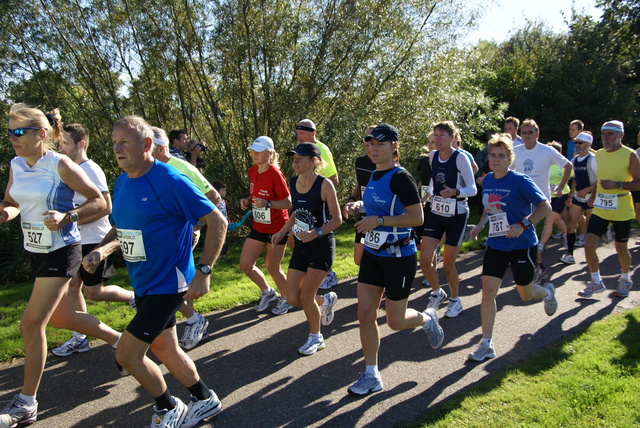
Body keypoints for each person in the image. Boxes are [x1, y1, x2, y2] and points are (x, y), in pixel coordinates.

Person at [83, 116, 227, 428]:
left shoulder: (170, 180)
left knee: (127, 354)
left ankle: (167, 407)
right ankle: (204, 399)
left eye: (124, 142)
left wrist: (204, 271)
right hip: (143, 281)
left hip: (169, 281)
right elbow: (121, 227)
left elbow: (218, 221)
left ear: (147, 145)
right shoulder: (122, 181)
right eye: (114, 143)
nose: (117, 149)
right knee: (165, 347)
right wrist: (102, 251)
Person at [0, 105, 122, 427]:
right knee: (63, 317)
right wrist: (4, 214)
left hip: (62, 250)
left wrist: (68, 216)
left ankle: (27, 404)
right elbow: (12, 204)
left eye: (17, 132)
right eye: (9, 132)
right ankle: (121, 342)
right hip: (36, 250)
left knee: (30, 325)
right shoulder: (16, 164)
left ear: (41, 134)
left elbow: (100, 202)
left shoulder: (60, 165)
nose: (11, 138)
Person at [342, 124, 443, 396]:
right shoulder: (374, 174)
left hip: (399, 256)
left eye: (380, 144)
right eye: (370, 144)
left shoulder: (401, 177)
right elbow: (376, 204)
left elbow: (417, 218)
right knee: (365, 313)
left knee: (395, 321)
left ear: (394, 146)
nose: (373, 149)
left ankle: (426, 318)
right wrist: (358, 206)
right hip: (374, 254)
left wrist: (380, 220)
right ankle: (371, 373)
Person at [468, 134, 556, 362]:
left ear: (510, 158)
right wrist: (480, 225)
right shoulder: (487, 180)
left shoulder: (520, 181)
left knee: (525, 294)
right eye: (492, 155)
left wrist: (523, 223)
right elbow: (491, 208)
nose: (495, 160)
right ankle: (486, 343)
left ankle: (547, 292)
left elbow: (545, 207)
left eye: (501, 156)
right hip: (497, 244)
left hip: (521, 244)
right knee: (488, 293)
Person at [52, 122, 135, 357]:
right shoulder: (66, 168)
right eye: (59, 142)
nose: (61, 147)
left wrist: (70, 220)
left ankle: (134, 297)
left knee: (94, 293)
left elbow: (106, 207)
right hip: (75, 240)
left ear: (81, 144)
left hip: (95, 240)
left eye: (65, 143)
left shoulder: (90, 169)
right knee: (71, 288)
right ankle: (80, 338)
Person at [150, 127, 222, 350]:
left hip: (182, 234)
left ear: (160, 148)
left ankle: (194, 322)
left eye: (147, 147)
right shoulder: (151, 170)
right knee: (166, 283)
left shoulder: (180, 167)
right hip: (161, 235)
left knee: (170, 283)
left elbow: (214, 197)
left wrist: (197, 225)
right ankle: (190, 322)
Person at [271, 142, 342, 355]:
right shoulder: (293, 182)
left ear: (314, 161)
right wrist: (283, 231)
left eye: (301, 158)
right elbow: (297, 212)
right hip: (302, 246)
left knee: (306, 296)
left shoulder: (324, 185)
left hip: (321, 245)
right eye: (294, 158)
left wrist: (317, 232)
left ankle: (316, 337)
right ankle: (326, 300)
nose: (296, 162)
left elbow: (337, 220)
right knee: (292, 297)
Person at [421, 121, 477, 317]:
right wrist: (427, 196)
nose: (437, 139)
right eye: (435, 135)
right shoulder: (432, 156)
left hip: (457, 214)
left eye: (441, 135)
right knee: (425, 259)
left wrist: (456, 192)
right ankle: (437, 292)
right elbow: (434, 179)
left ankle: (455, 300)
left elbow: (473, 188)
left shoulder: (460, 158)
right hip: (437, 212)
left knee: (448, 264)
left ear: (453, 138)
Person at [580, 120, 640, 298]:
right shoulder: (598, 154)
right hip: (600, 206)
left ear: (620, 135)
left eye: (610, 134)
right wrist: (593, 195)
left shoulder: (629, 155)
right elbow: (600, 178)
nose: (605, 138)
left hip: (621, 206)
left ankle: (625, 279)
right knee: (589, 243)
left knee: (621, 247)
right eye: (603, 134)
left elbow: (639, 182)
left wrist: (618, 184)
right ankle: (596, 282)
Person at [511, 119, 572, 284]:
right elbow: (508, 172)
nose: (527, 136)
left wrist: (560, 187)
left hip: (540, 202)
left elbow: (568, 166)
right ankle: (534, 265)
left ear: (537, 134)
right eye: (524, 133)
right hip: (521, 200)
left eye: (531, 132)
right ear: (520, 135)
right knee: (523, 233)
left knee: (526, 231)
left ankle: (539, 268)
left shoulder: (547, 151)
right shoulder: (515, 151)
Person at [239, 136, 293, 315]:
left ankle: (288, 299)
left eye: (258, 151)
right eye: (253, 150)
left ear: (269, 154)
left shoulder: (276, 174)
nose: (254, 154)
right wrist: (248, 200)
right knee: (246, 264)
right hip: (259, 226)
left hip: (277, 227)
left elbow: (288, 203)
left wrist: (268, 203)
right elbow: (256, 194)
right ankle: (268, 292)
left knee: (272, 267)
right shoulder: (252, 170)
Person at [295, 119, 340, 289]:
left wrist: (319, 193)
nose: (299, 137)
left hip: (321, 202)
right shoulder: (301, 150)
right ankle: (314, 271)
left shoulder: (321, 150)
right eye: (297, 133)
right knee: (300, 235)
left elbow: (334, 179)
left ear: (312, 133)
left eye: (302, 133)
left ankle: (328, 274)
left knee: (319, 235)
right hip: (305, 200)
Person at [560, 132, 597, 264]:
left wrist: (588, 192)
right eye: (576, 142)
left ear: (588, 144)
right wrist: (571, 195)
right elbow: (575, 179)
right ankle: (569, 254)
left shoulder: (593, 159)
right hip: (578, 197)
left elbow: (600, 181)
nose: (577, 145)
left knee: (591, 229)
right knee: (571, 224)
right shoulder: (574, 160)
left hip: (591, 198)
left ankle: (591, 257)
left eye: (580, 143)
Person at [342, 125, 376, 266]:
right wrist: (352, 199)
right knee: (358, 259)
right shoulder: (360, 162)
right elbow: (360, 183)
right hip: (364, 215)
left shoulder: (385, 164)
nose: (367, 141)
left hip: (380, 217)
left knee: (375, 260)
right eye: (366, 138)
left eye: (371, 138)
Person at [537, 142, 571, 257]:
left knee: (549, 220)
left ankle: (540, 245)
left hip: (560, 196)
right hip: (547, 196)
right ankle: (568, 235)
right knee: (556, 220)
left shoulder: (562, 164)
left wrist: (568, 194)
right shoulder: (544, 164)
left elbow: (572, 178)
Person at [212, 181, 230, 258]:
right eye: (223, 190)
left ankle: (223, 254)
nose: (225, 192)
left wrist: (228, 221)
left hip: (225, 222)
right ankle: (215, 253)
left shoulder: (225, 201)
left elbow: (227, 212)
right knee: (216, 238)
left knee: (225, 238)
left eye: (225, 190)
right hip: (216, 223)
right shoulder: (213, 201)